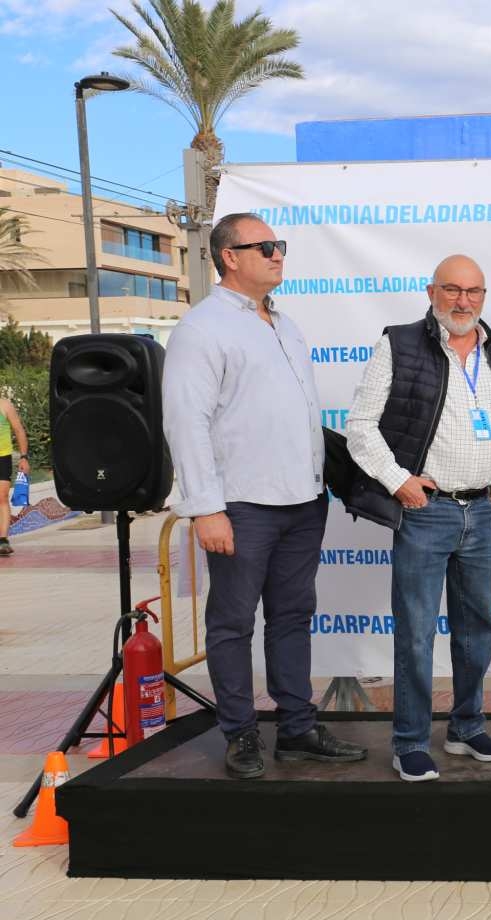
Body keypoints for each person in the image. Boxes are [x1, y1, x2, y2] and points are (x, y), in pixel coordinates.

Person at [163, 212, 366, 779]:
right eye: (266, 247)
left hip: (303, 500)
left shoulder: (286, 324)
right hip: (241, 505)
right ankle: (240, 733)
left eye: (280, 246)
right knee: (232, 623)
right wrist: (206, 508)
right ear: (229, 257)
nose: (278, 254)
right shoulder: (202, 329)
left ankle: (297, 729)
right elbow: (186, 423)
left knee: (293, 617)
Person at [346, 254, 491, 782]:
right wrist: (398, 480)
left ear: (484, 296)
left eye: (473, 291)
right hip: (427, 513)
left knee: (477, 631)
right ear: (431, 292)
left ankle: (467, 727)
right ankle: (409, 743)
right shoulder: (400, 344)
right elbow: (360, 426)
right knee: (417, 633)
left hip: (481, 511)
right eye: (452, 289)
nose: (463, 301)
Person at [0, 394, 28, 557]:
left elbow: (18, 430)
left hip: (2, 457)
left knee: (2, 497)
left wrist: (24, 457)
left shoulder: (5, 405)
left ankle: (3, 540)